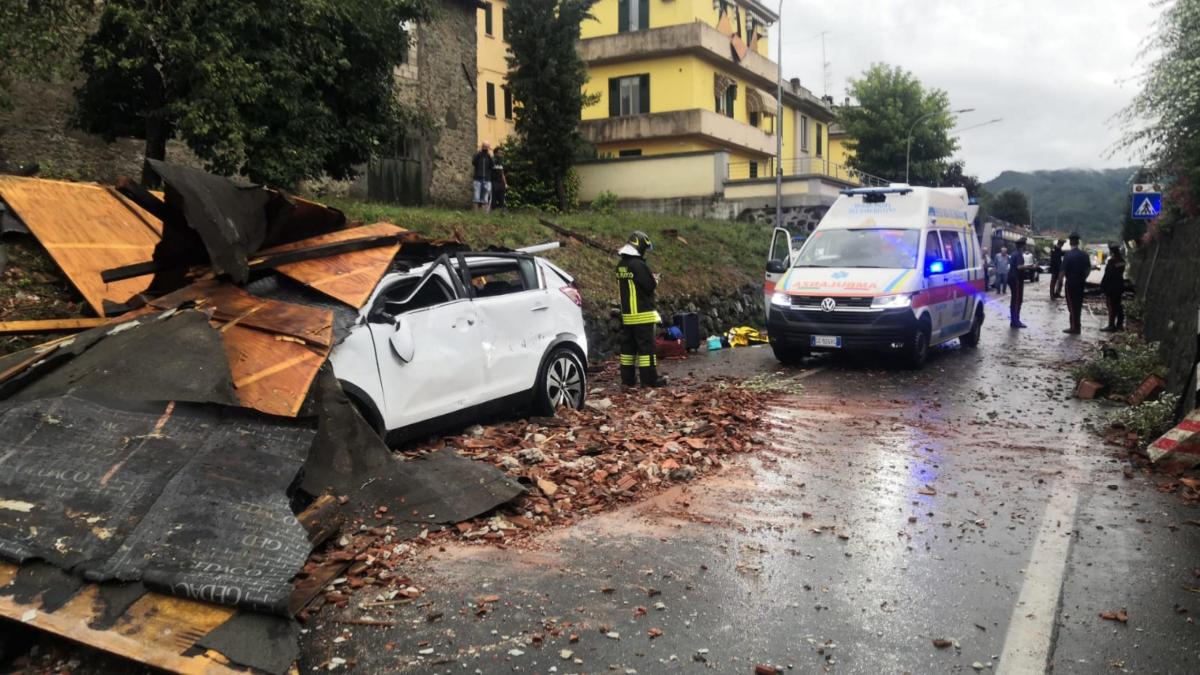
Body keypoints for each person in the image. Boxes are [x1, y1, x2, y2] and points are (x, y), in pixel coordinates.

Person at [616, 231, 667, 388]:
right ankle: (649, 379)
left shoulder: (621, 266)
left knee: (628, 351)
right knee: (647, 352)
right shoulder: (639, 265)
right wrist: (655, 279)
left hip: (627, 316)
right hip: (643, 315)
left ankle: (628, 380)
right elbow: (649, 286)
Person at [1062, 232, 1090, 334]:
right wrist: (1083, 278)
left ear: (1070, 242)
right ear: (1078, 242)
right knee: (1078, 304)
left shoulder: (1068, 255)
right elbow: (1088, 269)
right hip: (1081, 283)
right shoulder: (1084, 255)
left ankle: (1074, 328)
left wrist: (1058, 285)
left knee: (1072, 306)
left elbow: (1062, 271)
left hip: (1071, 283)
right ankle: (1077, 326)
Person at [1100, 243, 1126, 332]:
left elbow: (1108, 275)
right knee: (1118, 305)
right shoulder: (1122, 261)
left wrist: (1102, 285)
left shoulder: (1112, 261)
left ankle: (1111, 325)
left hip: (1111, 287)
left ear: (1112, 252)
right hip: (1119, 286)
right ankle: (1119, 324)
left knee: (1111, 305)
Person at [1008, 238, 1029, 328]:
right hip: (1016, 279)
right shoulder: (1019, 255)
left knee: (1014, 300)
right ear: (1022, 246)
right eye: (1025, 245)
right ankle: (1015, 321)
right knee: (1017, 300)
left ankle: (1014, 320)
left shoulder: (1014, 254)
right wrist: (1029, 266)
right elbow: (1019, 267)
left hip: (1012, 278)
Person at [472, 143, 494, 212]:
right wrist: (479, 154)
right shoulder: (478, 155)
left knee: (485, 197)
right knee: (476, 197)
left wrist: (490, 156)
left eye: (487, 147)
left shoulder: (489, 157)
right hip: (478, 179)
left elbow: (492, 166)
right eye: (484, 147)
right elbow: (473, 162)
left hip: (487, 179)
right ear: (482, 147)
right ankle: (476, 213)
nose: (485, 148)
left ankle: (485, 213)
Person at [489, 148, 508, 214]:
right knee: (493, 199)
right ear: (495, 153)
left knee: (502, 198)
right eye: (499, 153)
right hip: (494, 182)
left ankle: (503, 212)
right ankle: (491, 212)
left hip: (501, 183)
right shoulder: (492, 161)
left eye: (501, 153)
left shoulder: (501, 162)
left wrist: (505, 183)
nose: (501, 154)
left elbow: (502, 173)